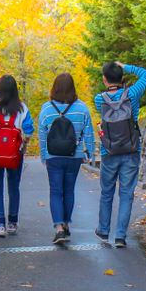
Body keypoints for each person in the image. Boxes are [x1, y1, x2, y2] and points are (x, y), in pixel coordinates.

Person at [94, 61, 146, 248]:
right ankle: (120, 236)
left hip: (109, 151)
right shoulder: (132, 95)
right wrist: (125, 66)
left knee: (107, 192)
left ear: (104, 79)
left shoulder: (99, 99)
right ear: (122, 79)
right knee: (126, 194)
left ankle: (103, 231)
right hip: (131, 150)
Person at [38, 73, 95, 244]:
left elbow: (42, 134)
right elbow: (89, 132)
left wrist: (43, 155)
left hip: (53, 156)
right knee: (69, 191)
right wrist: (88, 152)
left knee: (55, 191)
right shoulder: (82, 108)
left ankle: (59, 229)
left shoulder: (47, 109)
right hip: (74, 156)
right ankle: (66, 223)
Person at [0, 75, 34, 237]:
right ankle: (12, 222)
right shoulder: (22, 108)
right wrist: (24, 141)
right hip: (14, 153)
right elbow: (29, 129)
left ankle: (0, 226)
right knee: (13, 187)